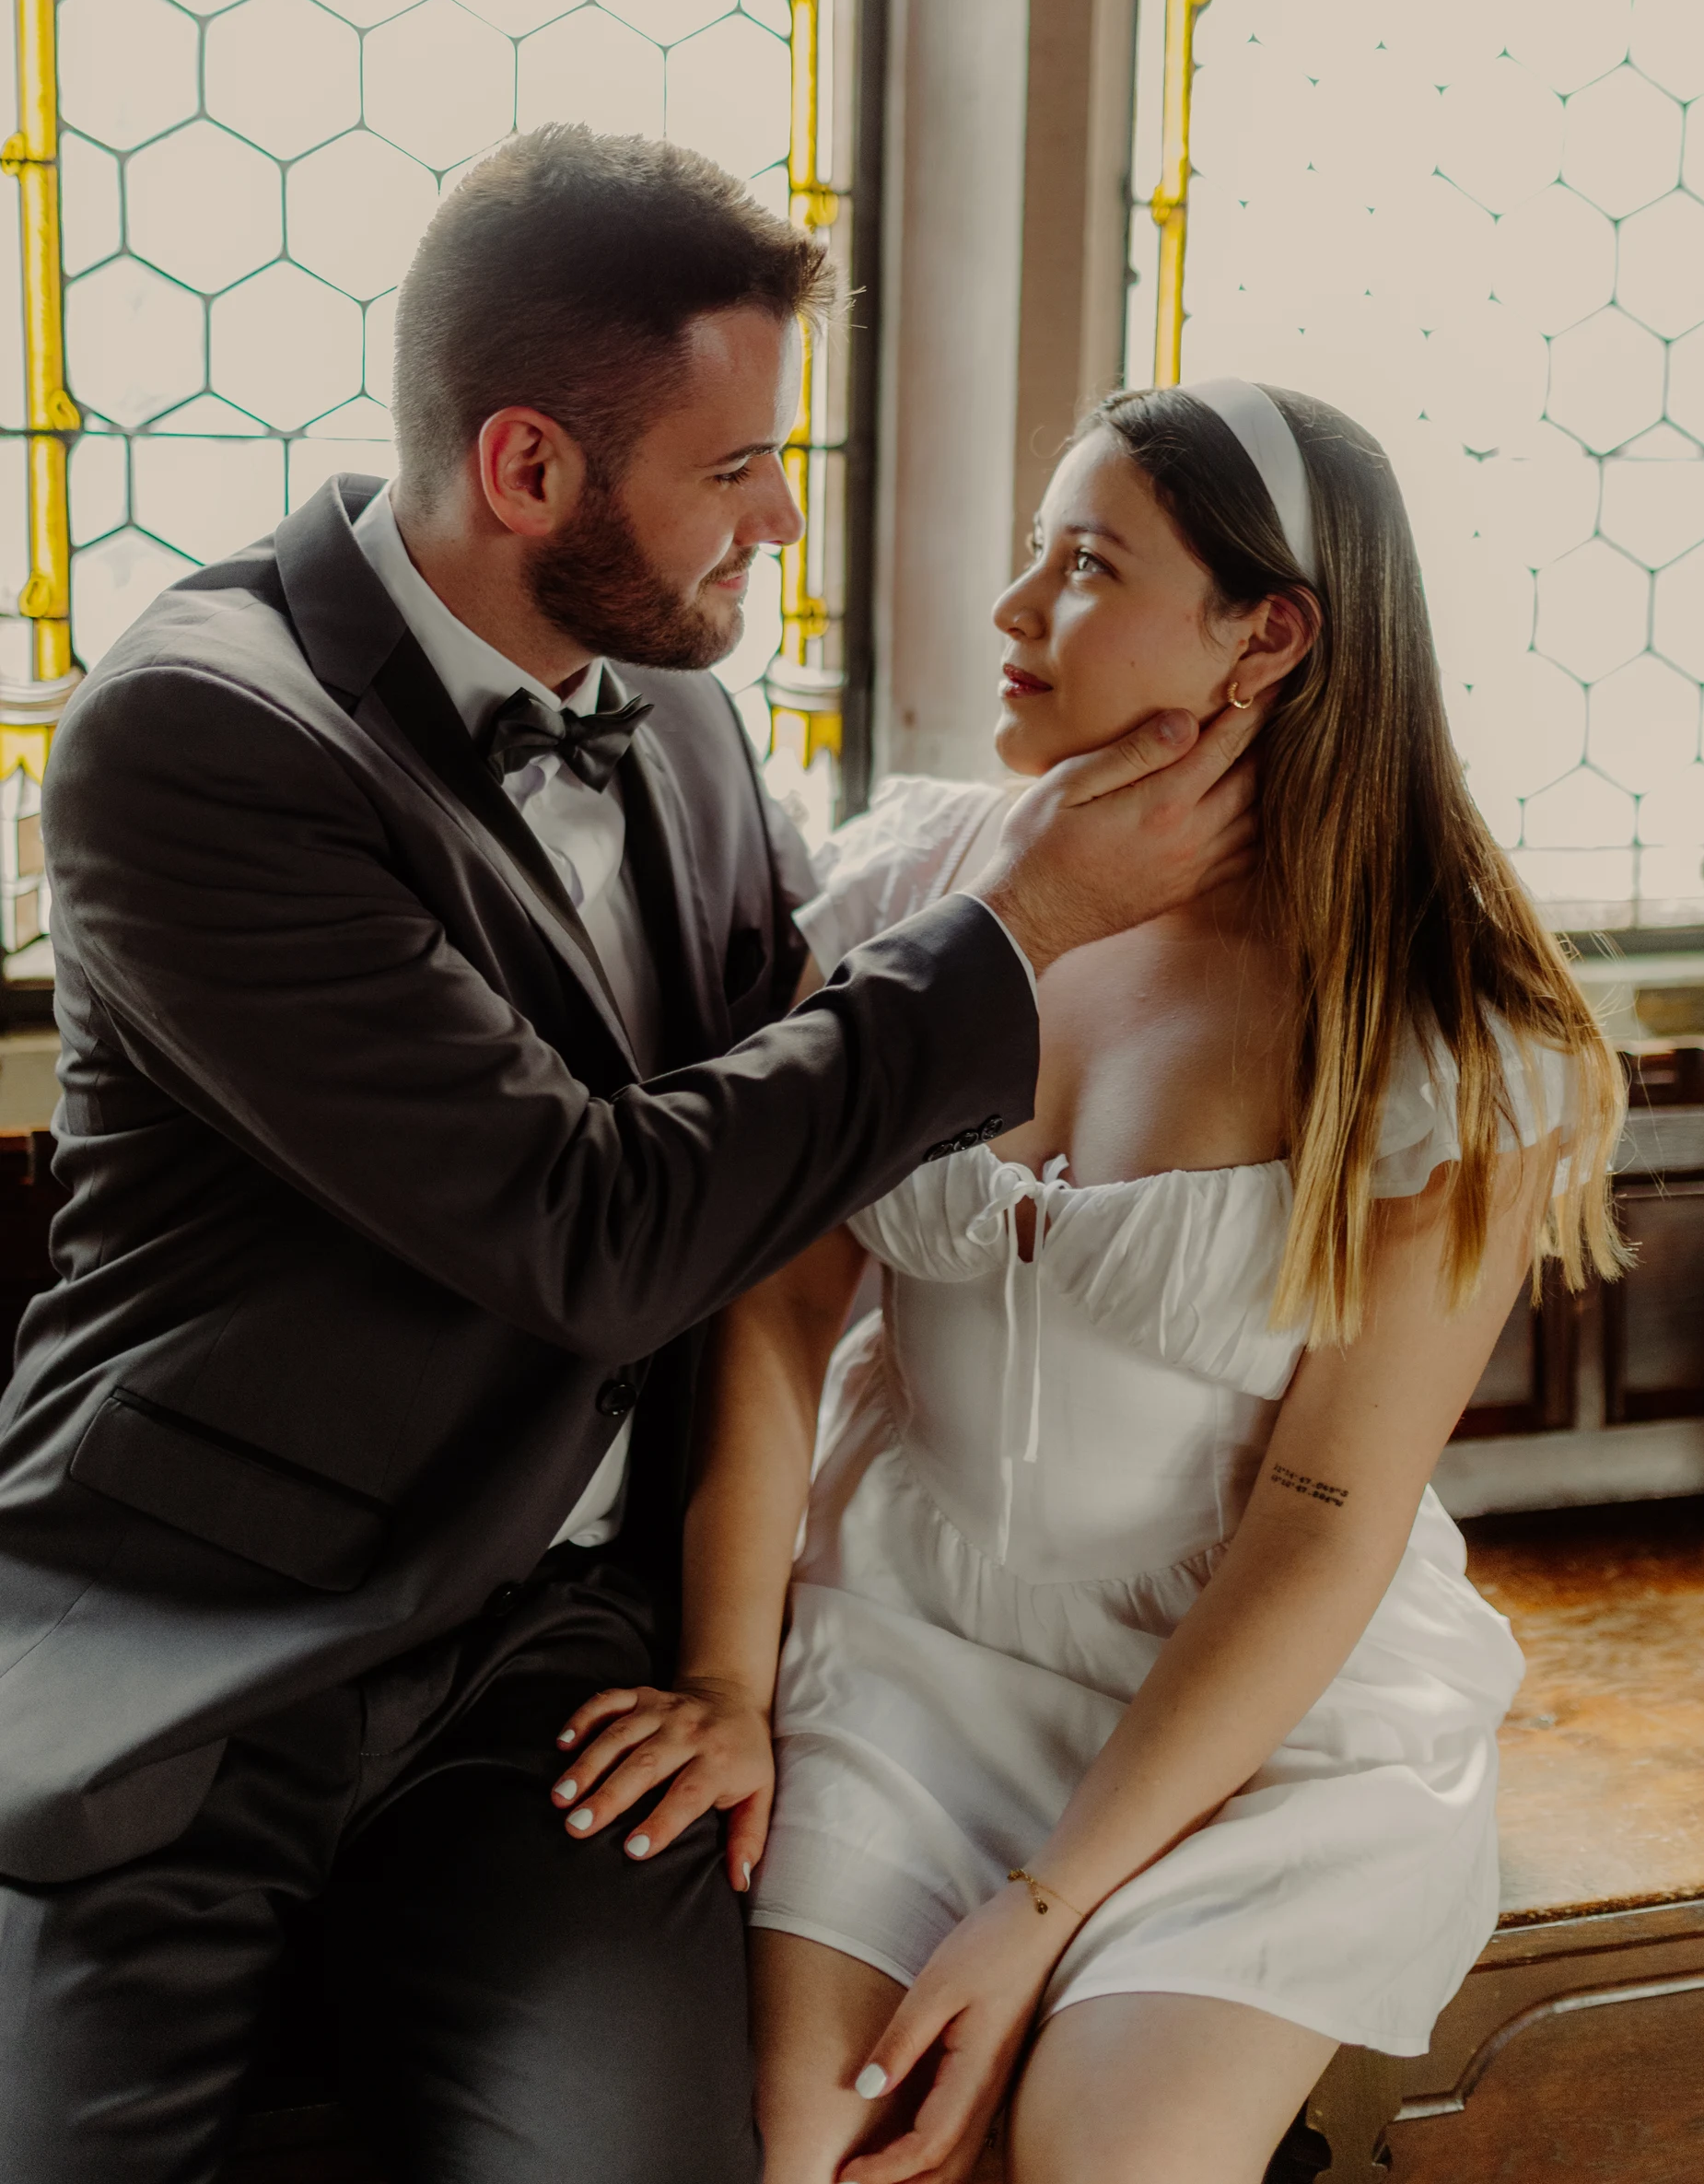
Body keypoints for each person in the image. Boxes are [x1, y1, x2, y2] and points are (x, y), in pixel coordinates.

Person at [0, 131, 1263, 2184]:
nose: (780, 515)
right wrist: (1017, 923)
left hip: (556, 1669)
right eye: (734, 468)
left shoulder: (676, 718)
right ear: (527, 473)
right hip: (189, 1648)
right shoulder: (191, 740)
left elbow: (781, 1155)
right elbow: (590, 1227)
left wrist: (718, 1657)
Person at [554, 378, 1625, 2184]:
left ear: (1262, 637)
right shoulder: (912, 888)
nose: (1011, 609)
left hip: (1256, 1717)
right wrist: (732, 1681)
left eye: (1082, 566)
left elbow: (1317, 1524)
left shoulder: (1446, 1033)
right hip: (905, 1649)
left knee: (1107, 2157)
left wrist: (1038, 1913)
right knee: (811, 2153)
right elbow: (781, 1312)